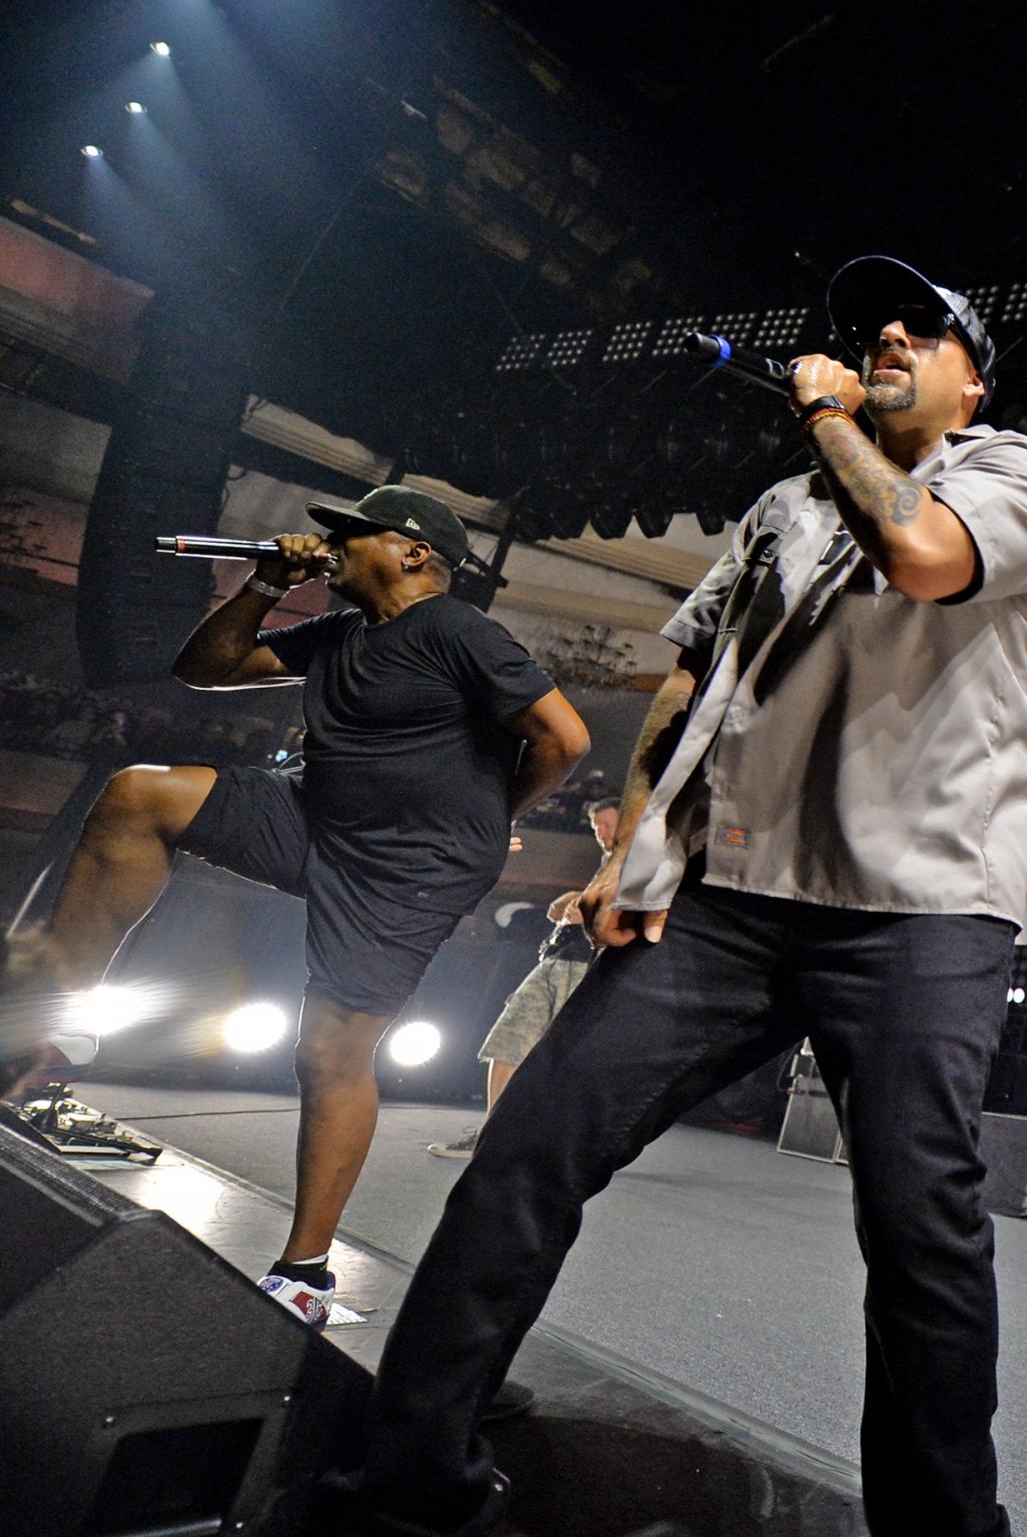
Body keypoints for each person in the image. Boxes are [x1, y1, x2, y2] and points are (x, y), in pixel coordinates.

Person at [344, 257, 1027, 1537]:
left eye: (920, 326)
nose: (883, 335)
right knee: (528, 1154)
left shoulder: (1015, 477)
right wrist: (637, 849)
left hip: (922, 917)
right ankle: (407, 1473)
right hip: (728, 903)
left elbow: (915, 554)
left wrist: (827, 412)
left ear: (974, 377)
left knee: (920, 1239)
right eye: (865, 327)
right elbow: (693, 684)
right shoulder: (784, 502)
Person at [0, 484, 590, 1330]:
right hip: (311, 817)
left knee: (329, 1055)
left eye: (357, 533)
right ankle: (49, 1016)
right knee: (140, 796)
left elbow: (564, 739)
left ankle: (306, 1270)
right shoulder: (346, 631)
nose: (337, 544)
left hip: (405, 870)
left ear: (415, 553)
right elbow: (203, 671)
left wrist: (487, 820)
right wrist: (265, 585)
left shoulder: (459, 630)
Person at [425, 795, 621, 1160]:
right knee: (508, 1039)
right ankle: (490, 1135)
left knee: (569, 1059)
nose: (603, 834)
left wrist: (591, 912)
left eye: (609, 826)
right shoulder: (608, 863)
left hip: (588, 969)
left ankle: (568, 1146)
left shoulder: (639, 865)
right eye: (597, 829)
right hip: (556, 959)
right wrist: (571, 897)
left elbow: (637, 918)